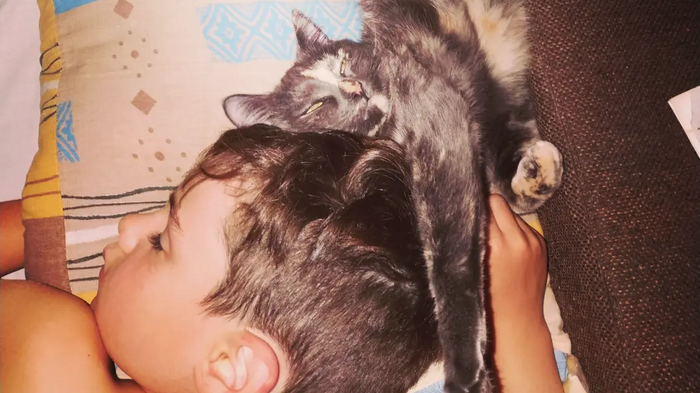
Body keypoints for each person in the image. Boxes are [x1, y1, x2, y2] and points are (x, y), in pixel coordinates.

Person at [0, 125, 563, 393]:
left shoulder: (51, 344)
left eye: (161, 242)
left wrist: (45, 217)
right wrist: (517, 330)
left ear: (232, 369)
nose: (127, 227)